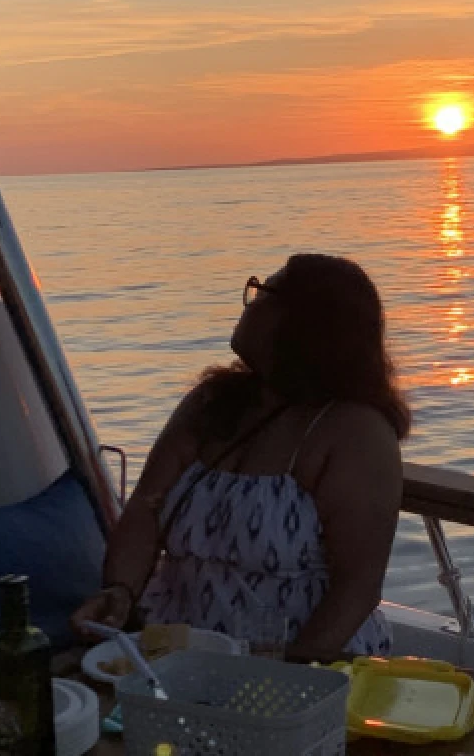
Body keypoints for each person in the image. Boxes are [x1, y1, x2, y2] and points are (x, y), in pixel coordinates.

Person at [71, 253, 409, 661]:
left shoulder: (355, 433)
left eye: (263, 292)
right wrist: (120, 591)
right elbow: (146, 508)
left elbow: (357, 587)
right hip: (179, 655)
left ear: (305, 323)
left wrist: (289, 671)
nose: (248, 303)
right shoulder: (212, 403)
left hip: (295, 663)